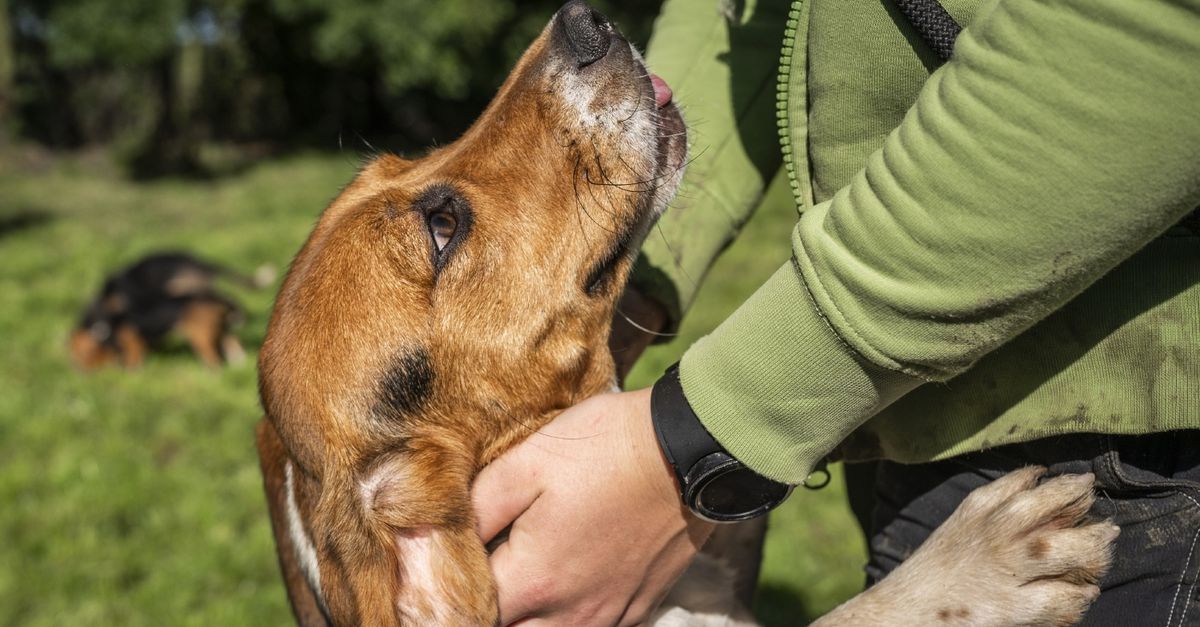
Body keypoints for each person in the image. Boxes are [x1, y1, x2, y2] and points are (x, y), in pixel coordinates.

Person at [471, 0, 1200, 624]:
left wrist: (695, 439)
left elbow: (1149, 33)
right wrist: (622, 285)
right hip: (907, 404)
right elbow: (750, 19)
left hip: (1133, 410)